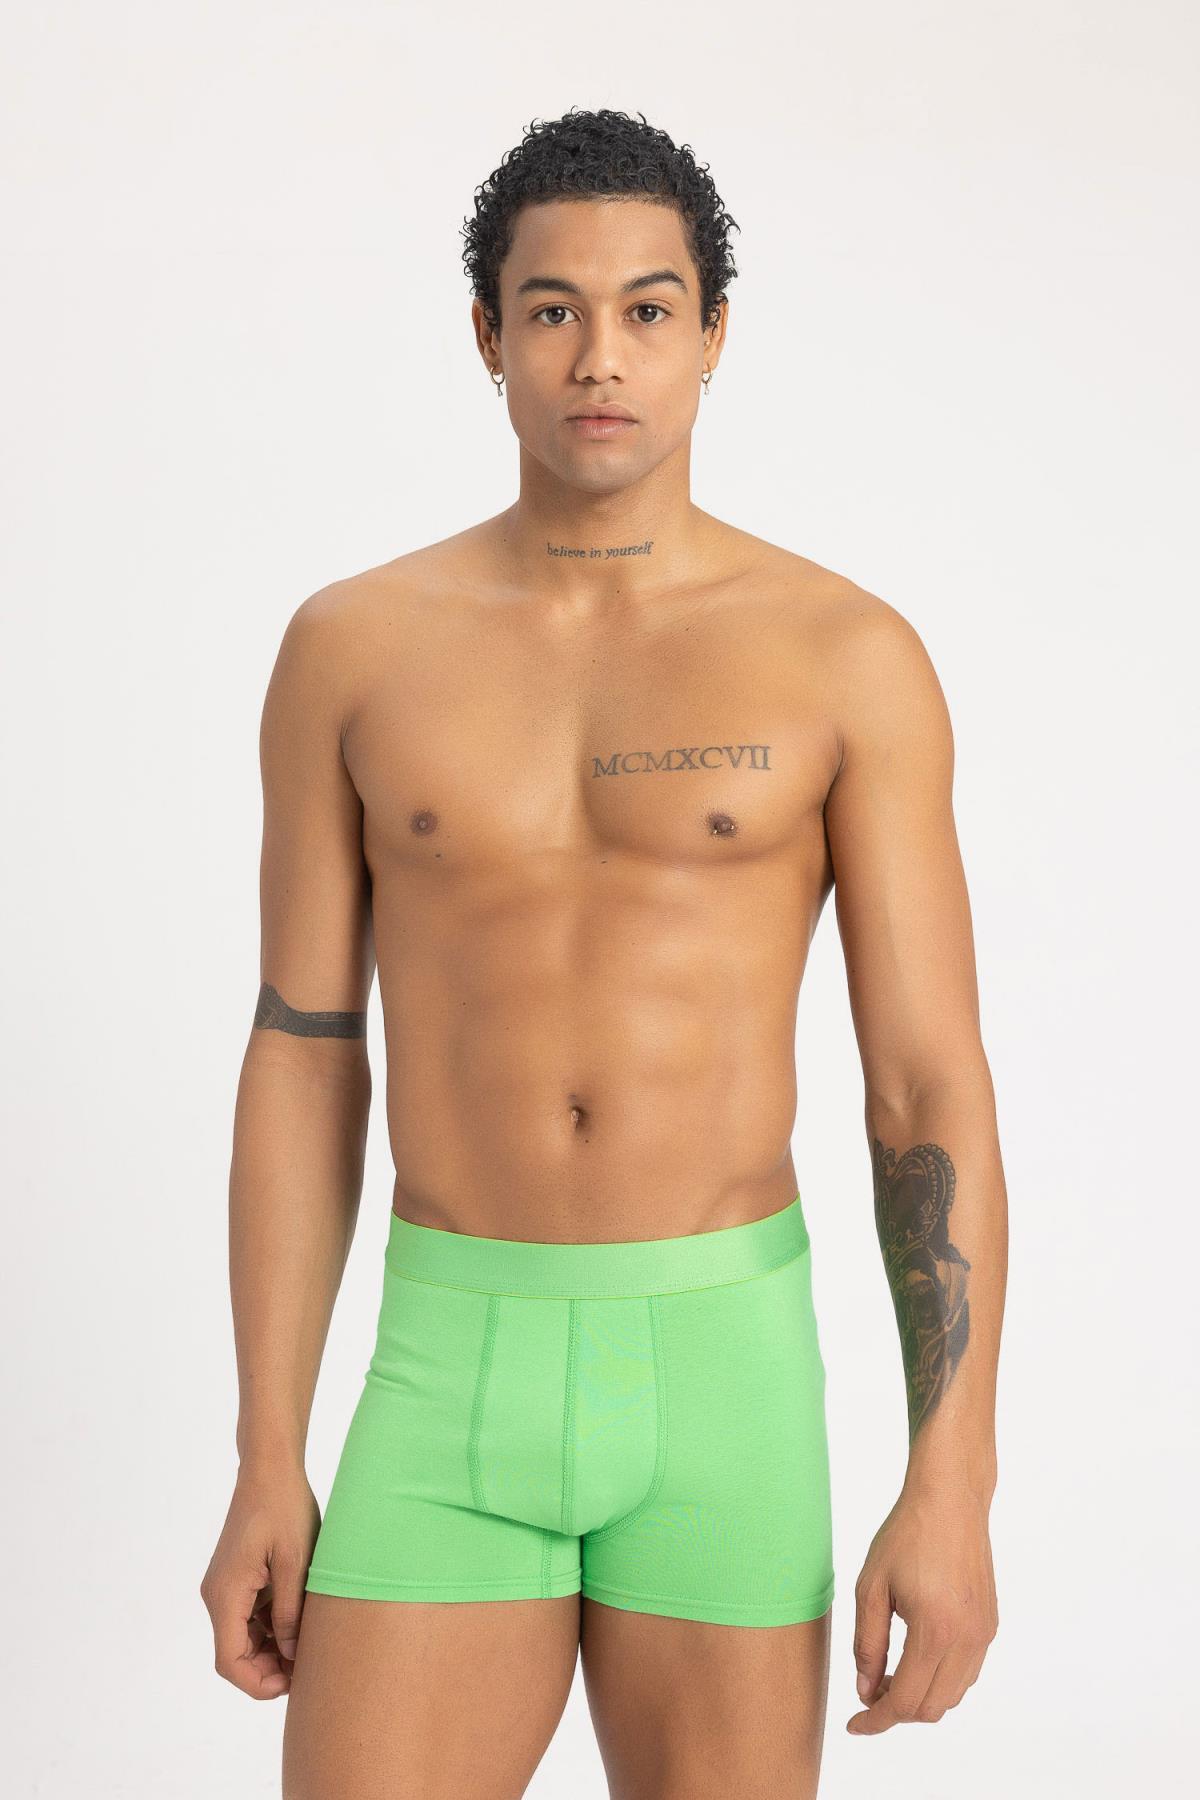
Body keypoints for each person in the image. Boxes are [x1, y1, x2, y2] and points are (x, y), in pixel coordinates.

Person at [200, 105, 1006, 1800]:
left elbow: (926, 1087)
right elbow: (302, 1047)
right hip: (449, 1359)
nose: (600, 357)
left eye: (648, 309)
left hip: (727, 1373)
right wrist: (269, 1446)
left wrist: (953, 1482)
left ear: (714, 336)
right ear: (486, 336)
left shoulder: (844, 656)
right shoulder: (353, 648)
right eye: (552, 309)